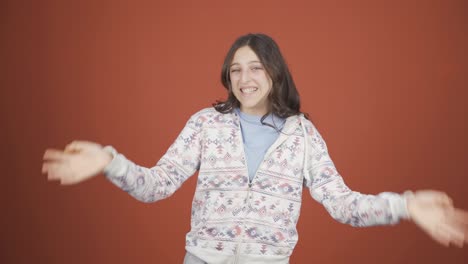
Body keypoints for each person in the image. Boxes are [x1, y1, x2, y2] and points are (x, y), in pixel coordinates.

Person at [42, 33, 468, 264]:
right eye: (235, 70)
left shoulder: (303, 136)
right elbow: (157, 185)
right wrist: (109, 162)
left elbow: (344, 205)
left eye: (255, 68)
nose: (245, 78)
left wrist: (407, 206)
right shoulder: (206, 125)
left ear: (274, 73)